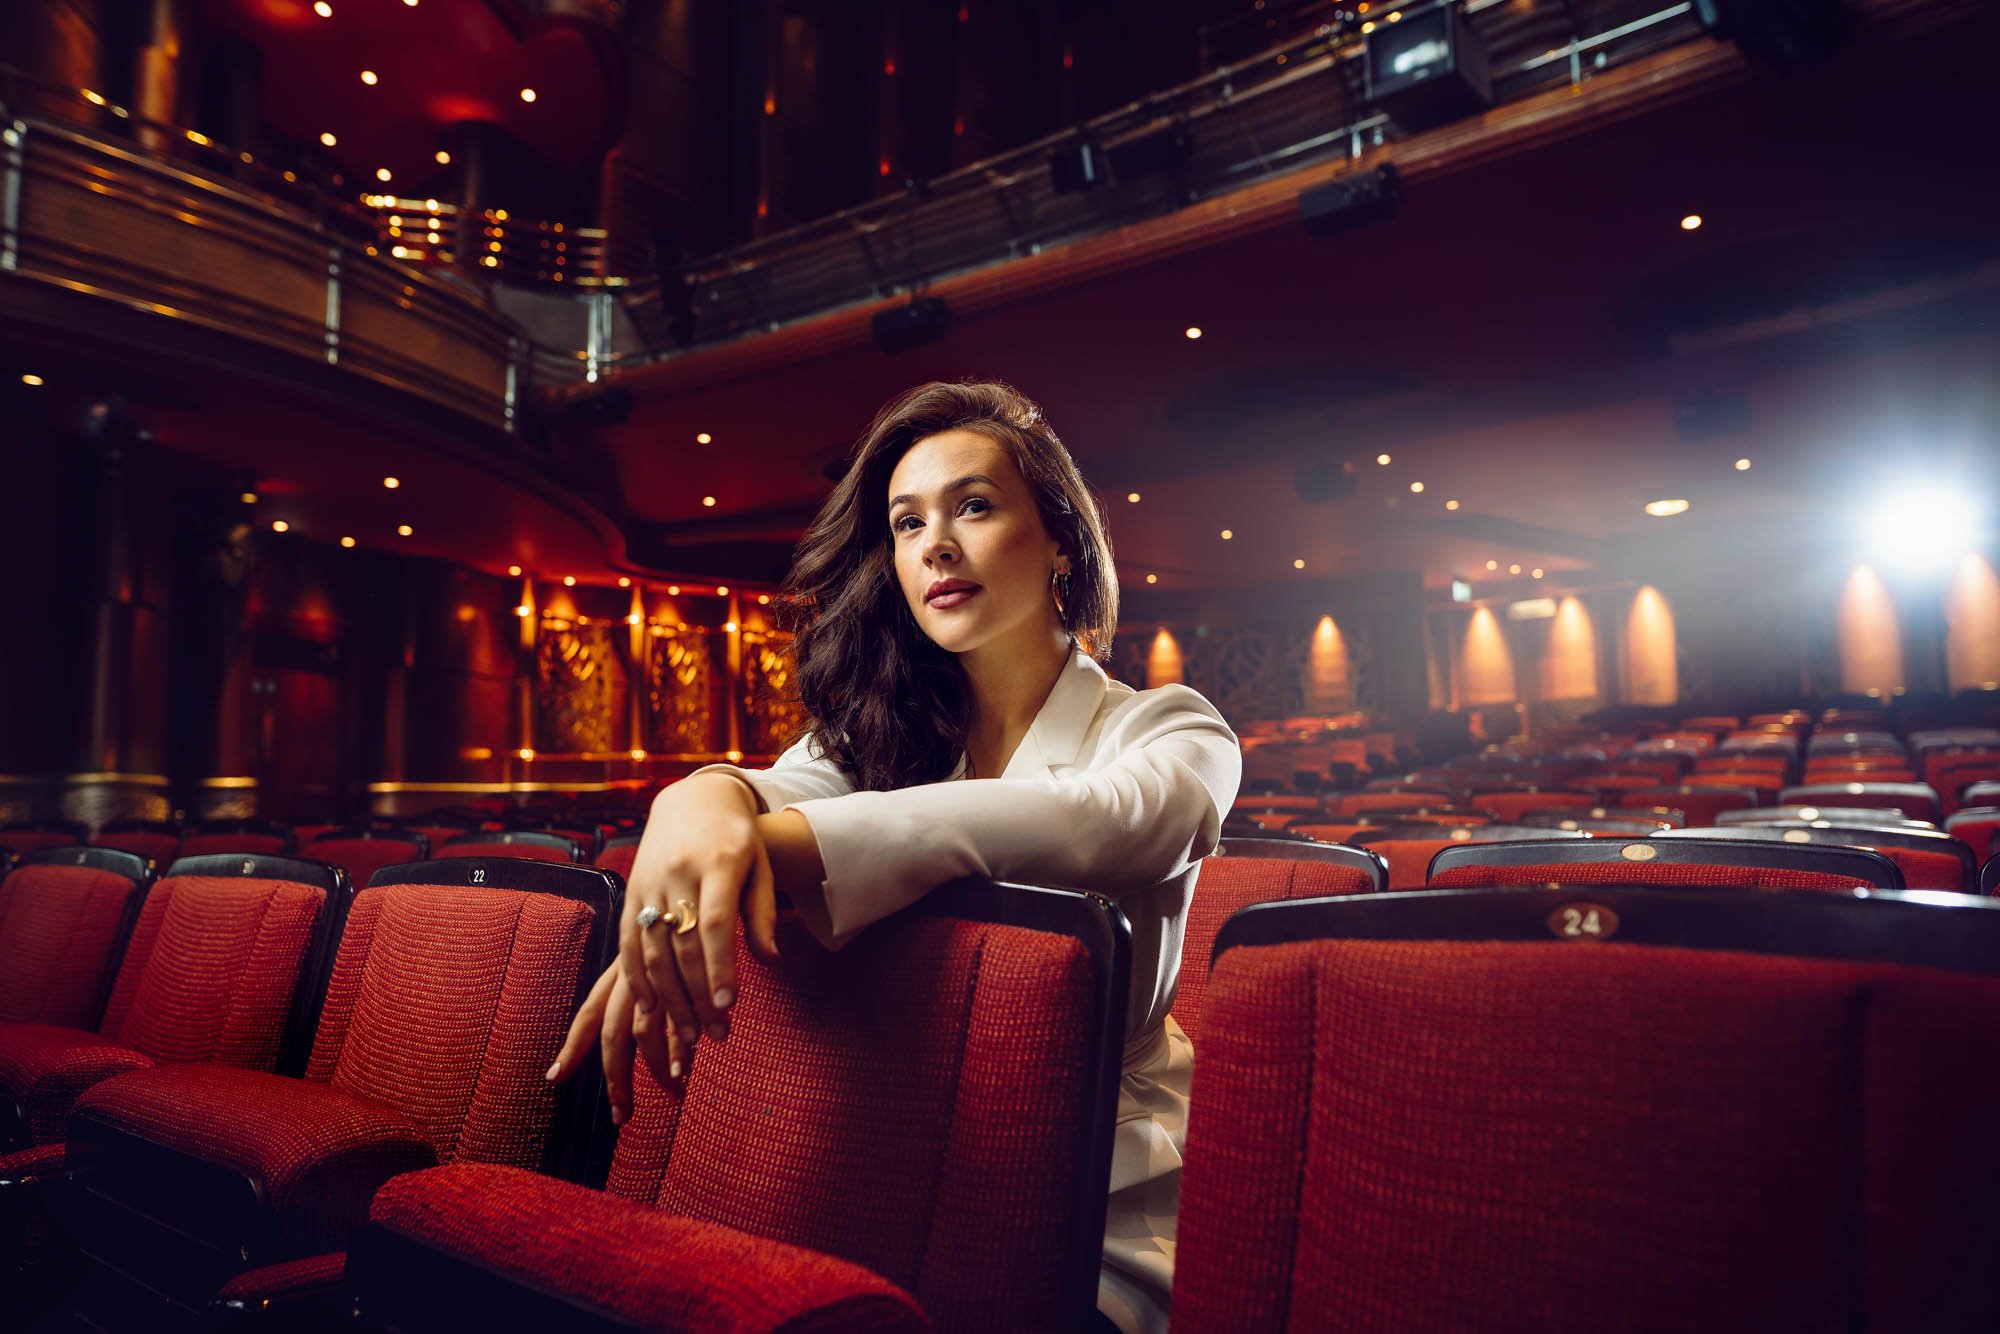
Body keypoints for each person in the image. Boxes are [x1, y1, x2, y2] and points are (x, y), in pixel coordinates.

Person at [548, 379, 1241, 1333]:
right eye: (907, 523)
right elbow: (771, 787)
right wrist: (697, 800)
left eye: (974, 506)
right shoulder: (884, 729)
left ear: (1062, 544)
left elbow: (1105, 822)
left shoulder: (1173, 728)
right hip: (895, 1153)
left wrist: (763, 847)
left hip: (1107, 1185)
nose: (934, 546)